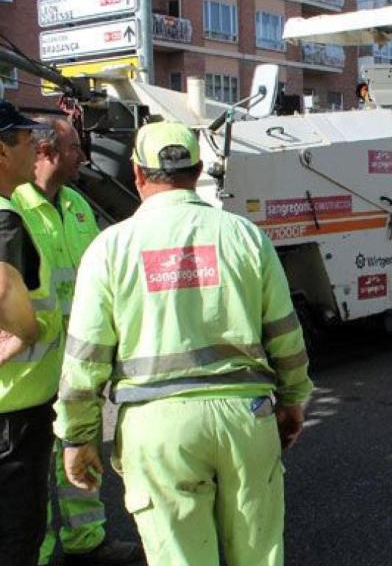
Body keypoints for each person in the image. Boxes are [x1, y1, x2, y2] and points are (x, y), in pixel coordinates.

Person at [54, 122, 313, 565]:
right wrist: (292, 401)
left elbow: (85, 359)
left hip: (157, 427)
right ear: (197, 172)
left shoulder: (109, 248)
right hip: (246, 418)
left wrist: (77, 437)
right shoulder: (247, 237)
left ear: (136, 173)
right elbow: (286, 336)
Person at [14, 117, 142, 565]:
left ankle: (87, 541)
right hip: (27, 371)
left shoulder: (77, 206)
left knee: (80, 450)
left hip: (75, 365)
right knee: (30, 479)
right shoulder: (14, 209)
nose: (81, 158)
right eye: (72, 149)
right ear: (46, 152)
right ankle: (43, 552)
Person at [0, 101, 64, 566]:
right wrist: (27, 330)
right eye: (25, 141)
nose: (34, 149)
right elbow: (5, 287)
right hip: (15, 411)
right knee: (17, 536)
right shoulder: (5, 218)